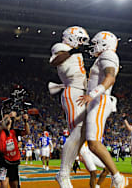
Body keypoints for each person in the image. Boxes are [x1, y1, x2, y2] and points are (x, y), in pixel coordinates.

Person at [77, 31, 128, 187]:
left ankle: (118, 177)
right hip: (96, 101)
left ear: (105, 43)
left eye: (96, 43)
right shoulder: (103, 57)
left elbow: (110, 77)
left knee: (93, 142)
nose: (94, 46)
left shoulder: (108, 55)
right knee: (89, 141)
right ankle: (116, 177)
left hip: (100, 100)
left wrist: (92, 94)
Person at [48, 26, 91, 188]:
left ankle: (65, 171)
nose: (81, 44)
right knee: (78, 131)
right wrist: (74, 52)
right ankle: (63, 173)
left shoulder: (74, 51)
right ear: (71, 37)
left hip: (81, 92)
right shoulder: (60, 47)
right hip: (72, 92)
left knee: (84, 133)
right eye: (79, 39)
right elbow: (54, 61)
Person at [0, 112, 30, 188]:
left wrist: (25, 121)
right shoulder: (0, 132)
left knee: (14, 184)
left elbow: (27, 132)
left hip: (13, 162)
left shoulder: (14, 131)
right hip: (3, 162)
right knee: (4, 183)